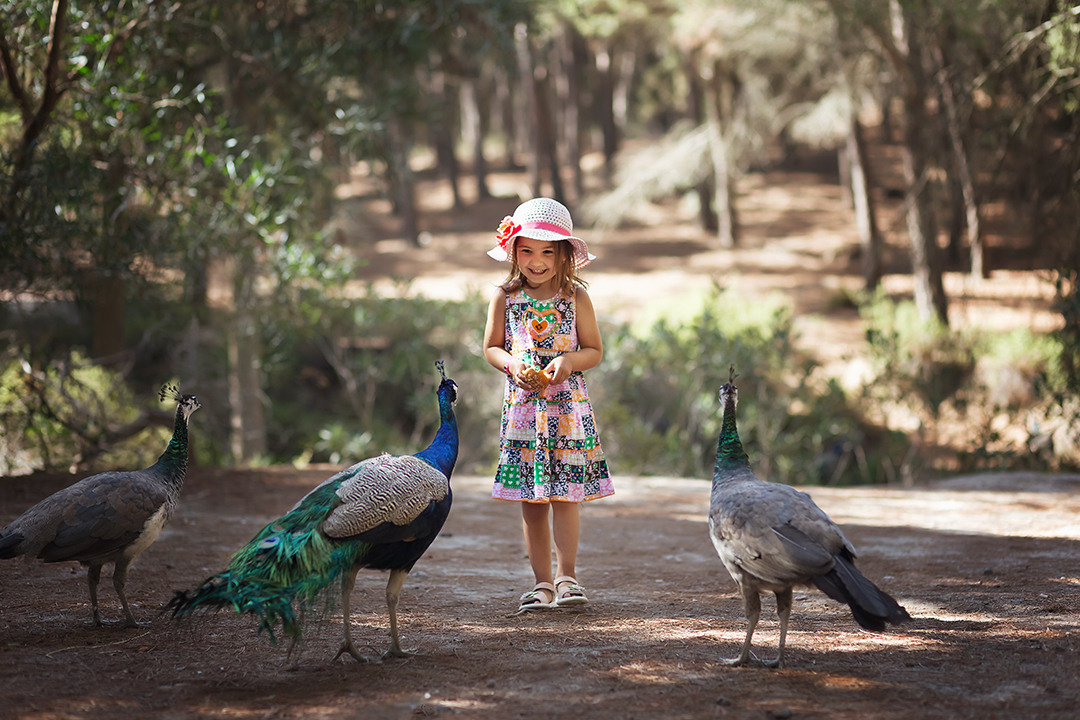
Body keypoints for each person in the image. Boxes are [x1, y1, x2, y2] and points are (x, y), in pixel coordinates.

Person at [482, 197, 614, 613]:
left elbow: (594, 350)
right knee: (532, 500)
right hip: (524, 413)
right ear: (513, 251)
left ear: (563, 255)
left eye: (547, 252)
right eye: (527, 251)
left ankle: (566, 577)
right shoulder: (505, 297)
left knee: (566, 497)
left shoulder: (576, 298)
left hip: (567, 411)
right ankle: (541, 584)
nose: (536, 262)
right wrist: (512, 365)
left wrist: (568, 362)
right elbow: (491, 347)